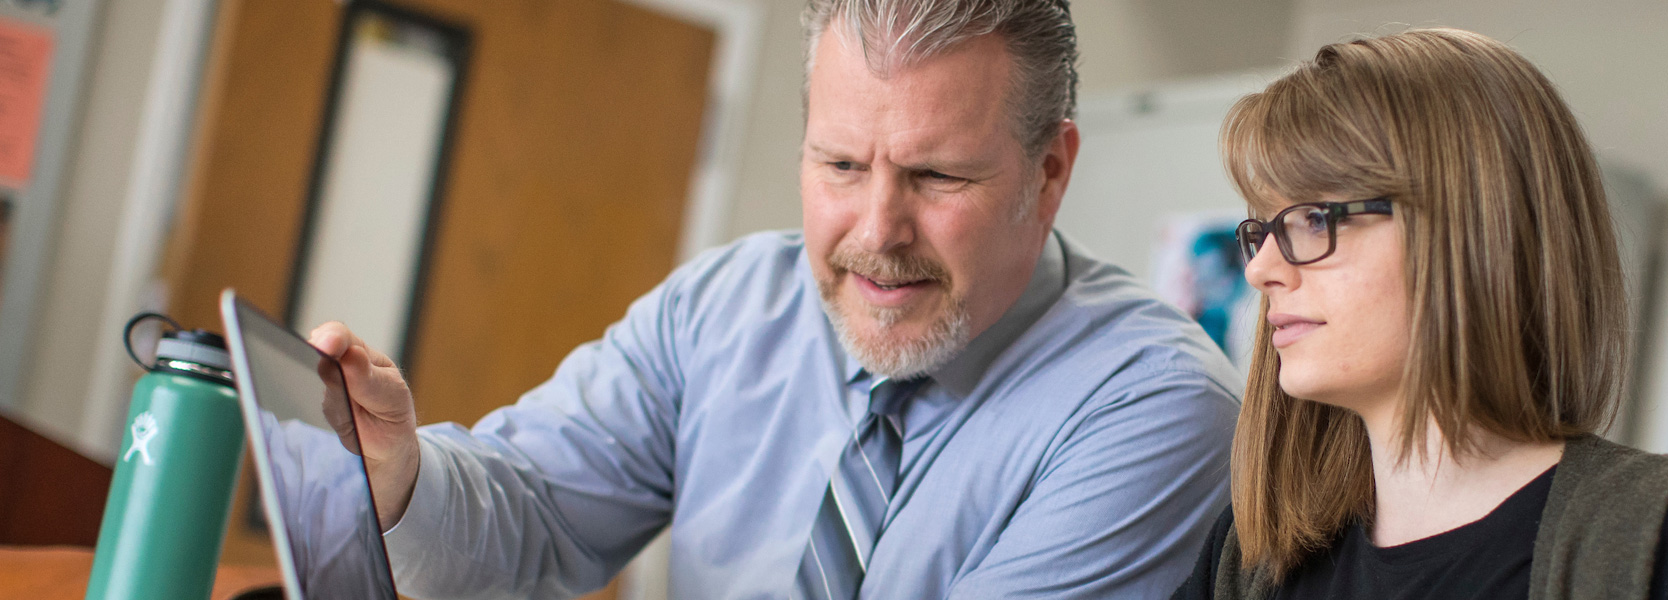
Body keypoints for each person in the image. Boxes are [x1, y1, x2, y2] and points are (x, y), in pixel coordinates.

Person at [306, 1, 1242, 598]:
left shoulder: (1154, 406)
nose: (876, 231)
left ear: (1049, 172)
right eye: (840, 164)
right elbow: (535, 508)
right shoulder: (726, 305)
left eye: (937, 176)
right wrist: (400, 477)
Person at [1174, 29, 1668, 600]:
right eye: (1262, 229)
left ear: (1474, 230)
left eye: (1313, 219)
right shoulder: (1251, 557)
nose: (1260, 270)